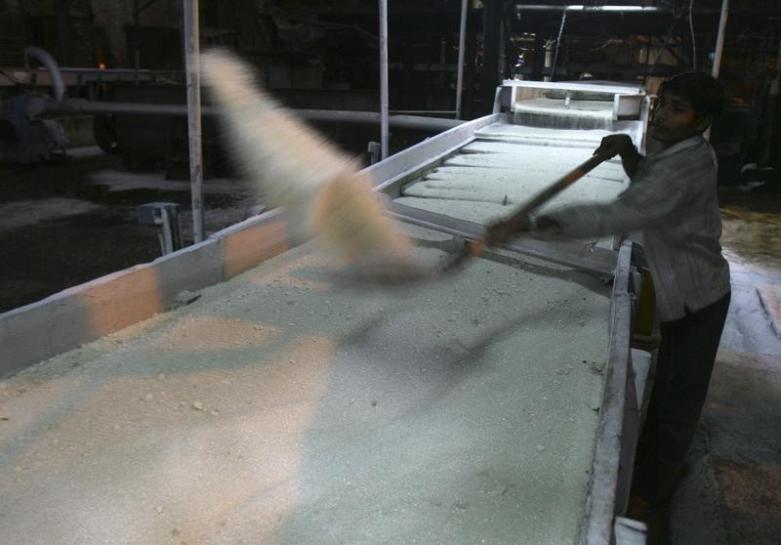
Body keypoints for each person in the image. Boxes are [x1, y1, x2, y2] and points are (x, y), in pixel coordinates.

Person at [486, 71, 732, 525]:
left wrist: (533, 226)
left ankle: (651, 496)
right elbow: (648, 182)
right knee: (668, 387)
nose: (660, 116)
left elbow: (623, 211)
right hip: (677, 286)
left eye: (676, 109)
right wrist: (629, 153)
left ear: (702, 122)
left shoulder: (688, 164)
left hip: (698, 296)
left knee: (679, 399)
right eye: (662, 104)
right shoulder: (672, 146)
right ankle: (648, 471)